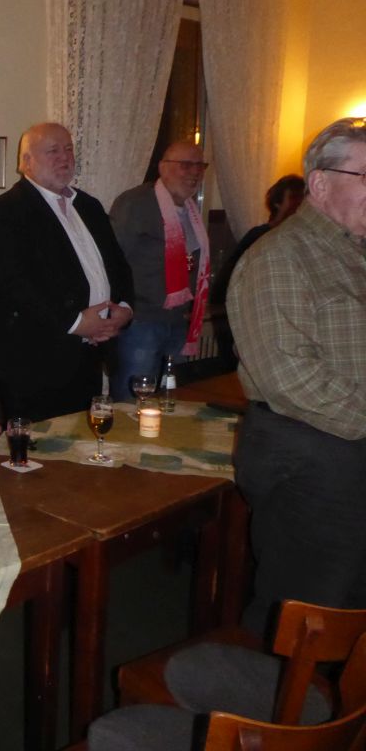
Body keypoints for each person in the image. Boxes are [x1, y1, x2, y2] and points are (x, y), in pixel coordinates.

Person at [227, 117, 366, 637]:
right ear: (321, 183)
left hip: (346, 447)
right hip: (310, 458)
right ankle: (274, 691)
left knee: (350, 603)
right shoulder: (280, 257)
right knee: (305, 612)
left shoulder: (353, 251)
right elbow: (290, 378)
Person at [0, 122, 133, 421]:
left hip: (90, 354)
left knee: (80, 440)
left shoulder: (89, 206)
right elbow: (13, 284)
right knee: (40, 446)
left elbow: (118, 265)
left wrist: (124, 308)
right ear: (26, 162)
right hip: (34, 360)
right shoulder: (3, 212)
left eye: (68, 149)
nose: (64, 157)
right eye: (53, 151)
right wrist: (76, 322)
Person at [108, 142, 211, 400]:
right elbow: (112, 260)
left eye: (200, 165)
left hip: (178, 322)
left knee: (169, 400)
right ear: (163, 168)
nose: (194, 172)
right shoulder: (136, 203)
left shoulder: (191, 210)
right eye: (185, 165)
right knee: (132, 403)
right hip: (141, 322)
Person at [211, 174, 305, 367]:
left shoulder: (300, 239)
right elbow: (230, 282)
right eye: (295, 198)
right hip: (249, 322)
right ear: (277, 203)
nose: (300, 205)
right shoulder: (261, 237)